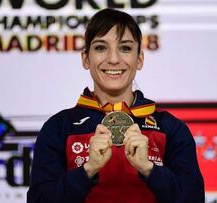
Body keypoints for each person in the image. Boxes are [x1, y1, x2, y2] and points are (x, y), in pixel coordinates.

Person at [27, 8, 205, 203]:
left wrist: (149, 170)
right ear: (86, 59)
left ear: (140, 59)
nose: (113, 59)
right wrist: (88, 170)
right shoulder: (59, 127)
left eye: (125, 48)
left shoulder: (171, 129)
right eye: (101, 48)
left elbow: (194, 198)